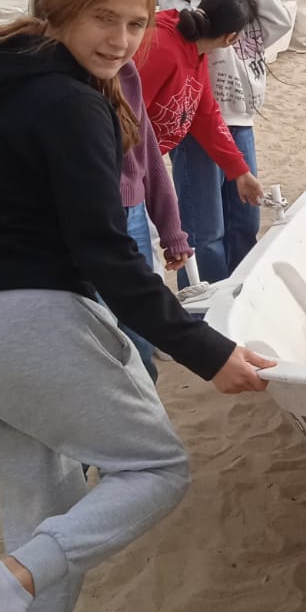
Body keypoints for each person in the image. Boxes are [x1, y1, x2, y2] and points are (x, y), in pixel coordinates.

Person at [0, 0, 272, 612]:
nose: (121, 41)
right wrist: (208, 353)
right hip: (25, 316)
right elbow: (104, 250)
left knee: (43, 504)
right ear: (58, 9)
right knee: (156, 468)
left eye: (136, 24)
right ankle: (12, 580)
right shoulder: (68, 102)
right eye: (104, 19)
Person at [160, 0, 292, 282]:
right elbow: (204, 25)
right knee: (205, 229)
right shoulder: (177, 3)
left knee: (244, 221)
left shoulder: (241, 6)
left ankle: (240, 290)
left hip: (240, 121)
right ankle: (207, 300)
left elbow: (281, 22)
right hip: (197, 124)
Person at [136, 0, 265, 233]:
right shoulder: (163, 47)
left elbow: (206, 116)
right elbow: (127, 111)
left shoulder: (196, 54)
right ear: (231, 38)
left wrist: (240, 171)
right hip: (120, 166)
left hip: (139, 167)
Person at [116, 57, 192, 381]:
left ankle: (146, 394)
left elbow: (147, 154)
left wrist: (172, 232)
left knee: (140, 327)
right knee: (100, 329)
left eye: (135, 30)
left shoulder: (125, 73)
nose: (120, 40)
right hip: (75, 220)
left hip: (131, 214)